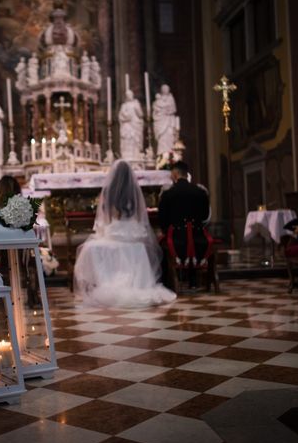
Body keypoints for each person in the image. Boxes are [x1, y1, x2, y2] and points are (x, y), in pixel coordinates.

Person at [73, 160, 176, 307]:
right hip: (132, 232)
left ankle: (103, 282)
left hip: (115, 231)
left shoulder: (109, 192)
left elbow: (106, 219)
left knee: (90, 247)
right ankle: (137, 286)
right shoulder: (134, 192)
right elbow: (140, 217)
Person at [157, 161, 212, 286]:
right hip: (198, 236)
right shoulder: (200, 191)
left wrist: (167, 229)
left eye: (171, 173)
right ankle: (193, 279)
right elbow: (205, 216)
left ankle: (167, 281)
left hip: (176, 238)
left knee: (160, 244)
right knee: (191, 237)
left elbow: (162, 219)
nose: (171, 176)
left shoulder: (168, 193)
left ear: (176, 174)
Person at [152, 84, 179, 156]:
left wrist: (166, 110)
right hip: (161, 121)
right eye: (164, 89)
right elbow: (156, 111)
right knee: (162, 138)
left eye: (166, 89)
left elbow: (173, 109)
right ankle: (162, 154)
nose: (165, 90)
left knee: (169, 135)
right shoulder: (158, 100)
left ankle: (169, 153)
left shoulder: (171, 98)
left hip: (168, 122)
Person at [118, 90, 144, 160]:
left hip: (135, 124)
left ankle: (136, 155)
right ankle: (127, 155)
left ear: (132, 95)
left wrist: (137, 108)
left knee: (135, 140)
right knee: (127, 139)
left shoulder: (136, 104)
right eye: (127, 95)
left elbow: (141, 114)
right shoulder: (124, 105)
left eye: (130, 94)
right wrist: (126, 117)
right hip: (127, 125)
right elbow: (120, 116)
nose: (129, 96)